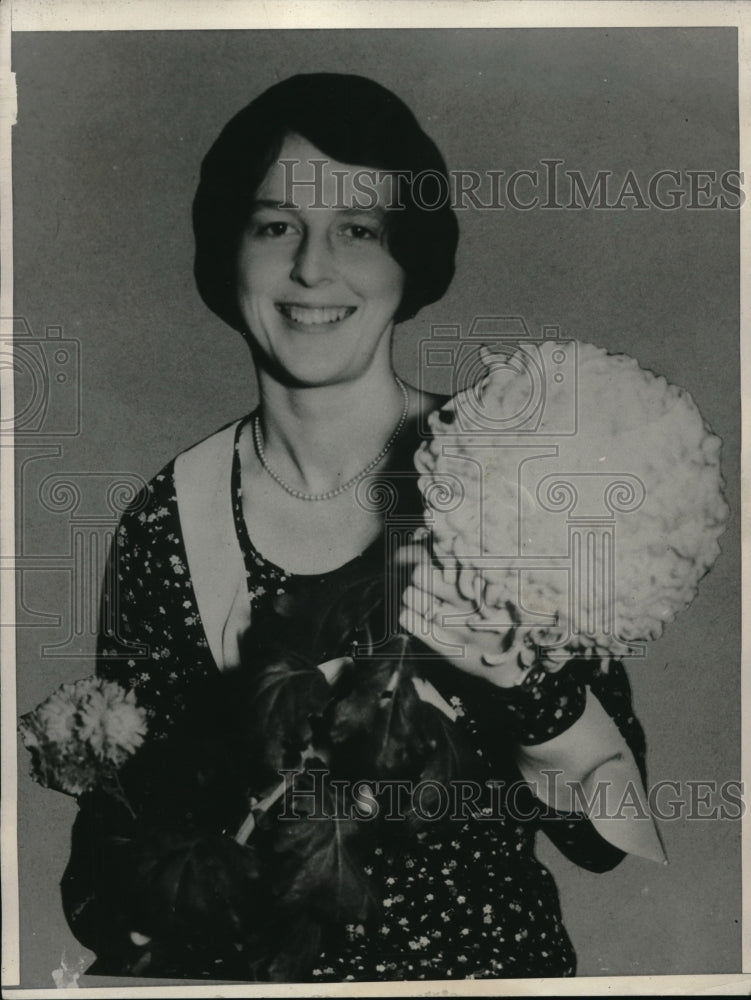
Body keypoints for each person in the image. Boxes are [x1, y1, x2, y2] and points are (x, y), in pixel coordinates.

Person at [61, 73, 663, 983]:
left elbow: (612, 836)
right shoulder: (165, 519)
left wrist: (521, 680)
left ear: (406, 262)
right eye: (275, 227)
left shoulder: (503, 477)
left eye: (358, 230)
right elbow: (126, 836)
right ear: (228, 250)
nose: (312, 268)